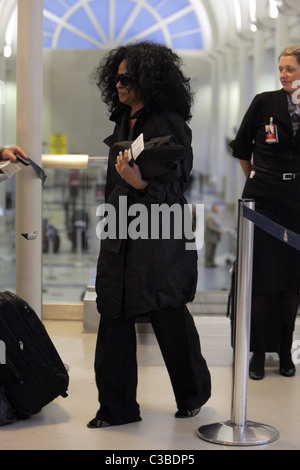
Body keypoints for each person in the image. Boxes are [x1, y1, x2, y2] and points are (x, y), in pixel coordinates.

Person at [88, 41, 211, 428]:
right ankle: (116, 409)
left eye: (127, 78)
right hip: (120, 228)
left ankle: (192, 394)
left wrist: (140, 183)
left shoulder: (168, 122)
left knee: (168, 310)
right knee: (113, 312)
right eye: (117, 77)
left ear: (147, 80)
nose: (120, 84)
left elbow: (177, 188)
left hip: (158, 235)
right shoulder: (123, 118)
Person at [230, 45, 300, 380]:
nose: (284, 74)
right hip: (263, 199)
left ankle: (285, 350)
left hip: (296, 201)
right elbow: (242, 147)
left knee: (291, 282)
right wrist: (258, 181)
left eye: (290, 69)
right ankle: (257, 351)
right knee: (259, 279)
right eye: (281, 68)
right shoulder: (265, 101)